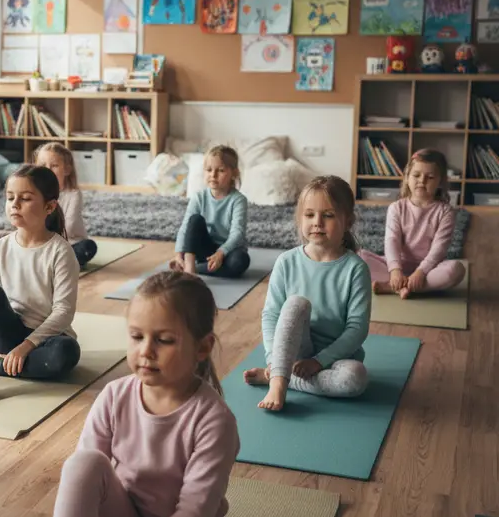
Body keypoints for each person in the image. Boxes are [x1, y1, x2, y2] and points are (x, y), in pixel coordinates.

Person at [14, 271, 250, 517]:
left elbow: (194, 515)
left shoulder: (214, 420)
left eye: (165, 340)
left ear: (203, 347)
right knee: (83, 463)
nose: (146, 351)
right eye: (137, 337)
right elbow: (83, 485)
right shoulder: (113, 397)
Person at [0, 165, 81, 401]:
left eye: (26, 198)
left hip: (45, 339)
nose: (15, 204)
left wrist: (27, 346)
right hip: (8, 334)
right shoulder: (0, 248)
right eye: (10, 198)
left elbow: (63, 312)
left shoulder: (61, 252)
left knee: (66, 353)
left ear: (49, 207)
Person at [245, 176, 371, 412]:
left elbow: (357, 328)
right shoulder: (286, 262)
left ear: (348, 221)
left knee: (356, 378)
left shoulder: (356, 269)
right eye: (310, 215)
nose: (317, 223)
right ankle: (279, 380)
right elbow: (271, 316)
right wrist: (274, 360)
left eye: (329, 215)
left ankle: (276, 378)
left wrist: (319, 361)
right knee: (295, 304)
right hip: (294, 351)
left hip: (336, 359)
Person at [360, 149, 465, 298]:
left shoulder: (446, 212)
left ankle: (393, 287)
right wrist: (395, 270)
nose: (422, 181)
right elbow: (392, 241)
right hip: (397, 265)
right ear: (407, 177)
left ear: (440, 181)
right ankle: (401, 283)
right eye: (416, 175)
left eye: (430, 177)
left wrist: (421, 272)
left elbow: (439, 249)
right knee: (358, 258)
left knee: (456, 270)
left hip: (430, 268)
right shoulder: (396, 208)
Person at [172, 145, 250, 279]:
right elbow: (185, 227)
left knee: (240, 261)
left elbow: (237, 234)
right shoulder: (199, 197)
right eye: (209, 170)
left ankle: (198, 267)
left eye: (220, 170)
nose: (213, 175)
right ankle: (189, 268)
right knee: (195, 219)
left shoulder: (238, 200)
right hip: (205, 249)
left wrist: (220, 253)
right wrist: (179, 254)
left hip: (228, 250)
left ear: (234, 173)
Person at [35, 142, 98, 269]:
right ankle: (49, 261)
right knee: (3, 240)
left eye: (54, 166)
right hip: (40, 244)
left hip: (69, 243)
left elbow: (68, 227)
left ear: (67, 170)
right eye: (43, 165)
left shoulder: (74, 195)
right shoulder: (35, 194)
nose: (48, 170)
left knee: (88, 247)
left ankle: (55, 262)